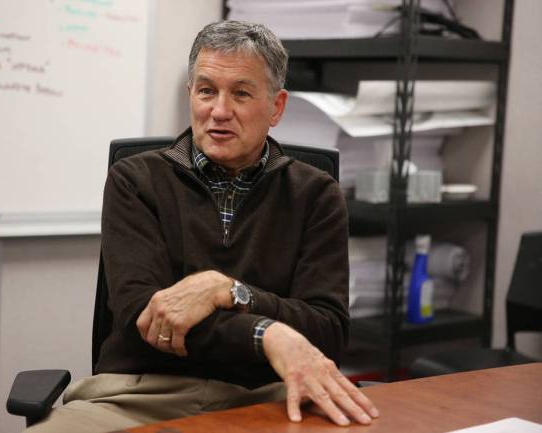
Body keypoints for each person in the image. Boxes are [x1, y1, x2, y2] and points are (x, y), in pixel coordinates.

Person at [27, 20, 378, 433]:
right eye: (207, 90)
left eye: (241, 93)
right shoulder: (134, 180)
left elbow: (328, 332)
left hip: (266, 397)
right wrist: (267, 335)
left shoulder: (316, 193)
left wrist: (228, 292)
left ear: (276, 107)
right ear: (191, 95)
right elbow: (145, 318)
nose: (219, 111)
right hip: (139, 395)